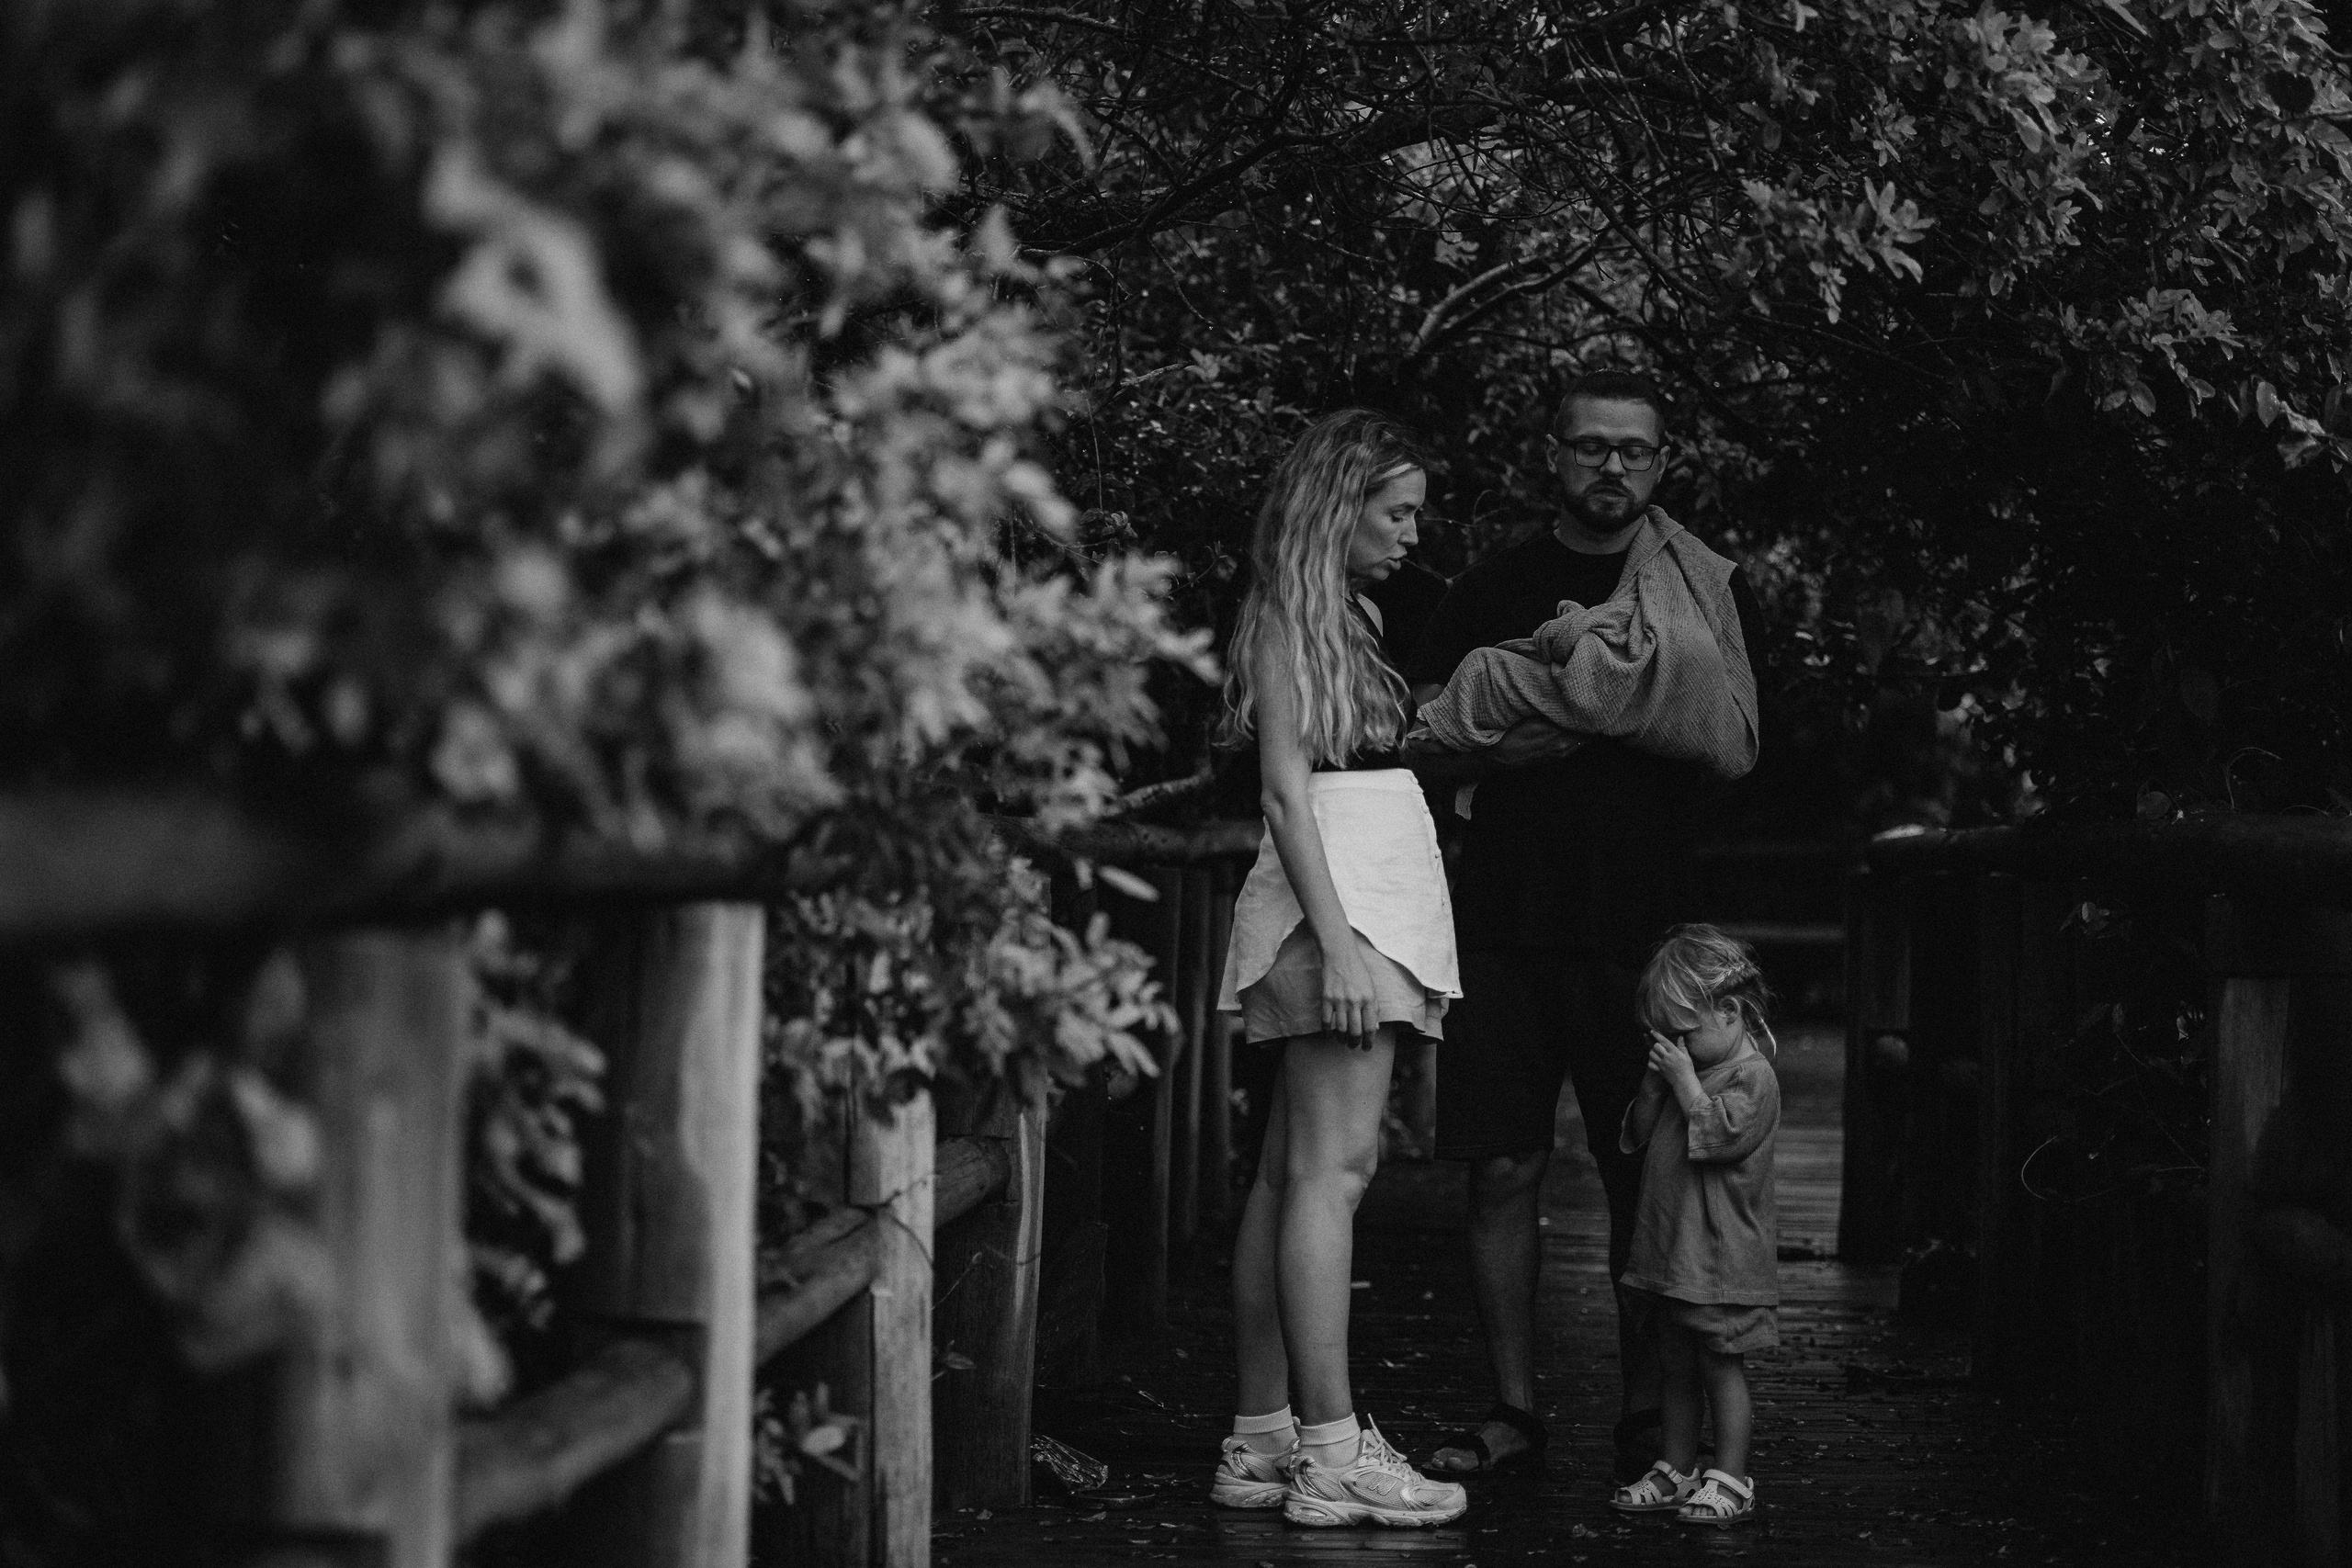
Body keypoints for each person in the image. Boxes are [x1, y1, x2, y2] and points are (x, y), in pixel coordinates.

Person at [1405, 369, 1765, 1482]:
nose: (1612, 466)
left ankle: (1646, 1419)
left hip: (1645, 938)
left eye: (1635, 450)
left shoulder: (1701, 590)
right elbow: (1427, 736)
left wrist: (1618, 702)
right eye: (1591, 446)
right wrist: (1533, 736)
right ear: (1551, 455)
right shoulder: (1494, 585)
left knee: (1647, 1177)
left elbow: (1735, 744)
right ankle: (1511, 1410)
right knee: (1501, 1169)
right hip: (1504, 919)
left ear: (1662, 464)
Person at [1206, 409, 1469, 1529]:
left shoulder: (1345, 614)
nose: (1412, 534)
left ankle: (1261, 1437)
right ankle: (1330, 1451)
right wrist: (1343, 943)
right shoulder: (1287, 615)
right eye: (1396, 511)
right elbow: (1281, 791)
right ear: (1339, 506)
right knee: (1333, 1177)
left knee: (1285, 1175)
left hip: (1359, 905)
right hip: (1339, 916)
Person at [1609, 925, 1781, 1527]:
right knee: (1675, 1365)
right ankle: (1675, 1465)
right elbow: (1633, 1136)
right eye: (1665, 1037)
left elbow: (1720, 1138)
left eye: (1685, 1032)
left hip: (1721, 1257)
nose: (1675, 1047)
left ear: (1730, 1011)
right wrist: (1656, 1087)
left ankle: (1732, 1474)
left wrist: (1683, 1083)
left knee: (1719, 1364)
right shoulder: (1686, 1071)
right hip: (1673, 1253)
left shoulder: (1751, 1078)